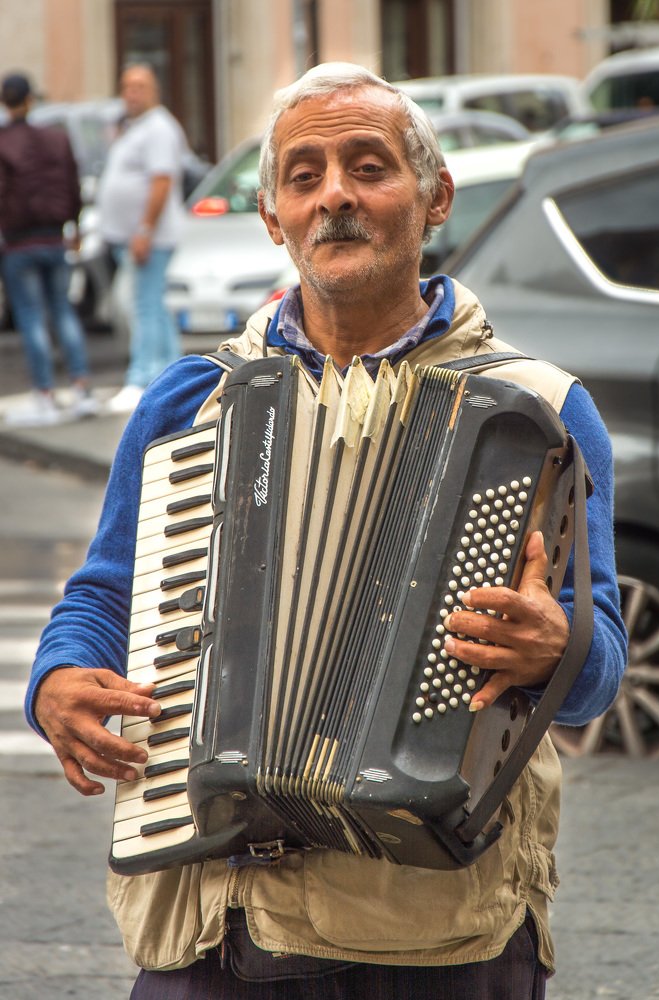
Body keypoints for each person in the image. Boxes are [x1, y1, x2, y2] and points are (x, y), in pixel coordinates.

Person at [26, 63, 627, 999]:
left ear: (434, 198)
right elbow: (106, 591)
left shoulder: (539, 412)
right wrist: (58, 678)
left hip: (431, 936)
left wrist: (559, 650)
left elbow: (597, 668)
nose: (334, 196)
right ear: (273, 217)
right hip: (207, 927)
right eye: (303, 177)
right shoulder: (191, 403)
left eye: (368, 167)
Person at [0, 71, 99, 426]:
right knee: (63, 311)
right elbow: (72, 187)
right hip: (54, 237)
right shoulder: (56, 139)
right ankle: (82, 388)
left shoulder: (3, 141)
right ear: (30, 100)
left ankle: (44, 394)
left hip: (17, 242)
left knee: (30, 317)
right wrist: (73, 226)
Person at [98, 63, 186, 413]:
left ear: (155, 90)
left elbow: (161, 181)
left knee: (143, 306)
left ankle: (141, 379)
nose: (131, 93)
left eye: (139, 86)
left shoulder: (159, 128)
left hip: (150, 236)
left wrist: (144, 229)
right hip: (135, 236)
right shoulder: (135, 128)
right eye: (126, 86)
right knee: (153, 307)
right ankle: (171, 372)